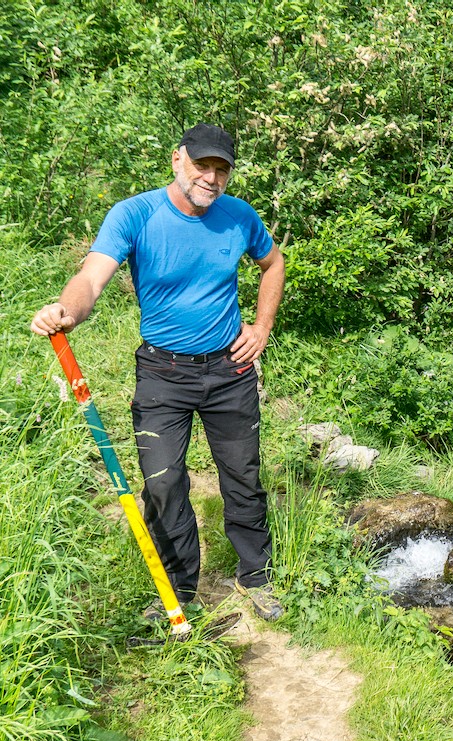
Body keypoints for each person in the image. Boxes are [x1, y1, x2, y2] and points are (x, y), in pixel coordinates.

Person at [30, 123, 286, 621]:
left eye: (221, 169)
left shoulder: (239, 217)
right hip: (163, 373)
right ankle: (179, 589)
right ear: (177, 160)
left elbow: (272, 264)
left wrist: (261, 327)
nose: (211, 178)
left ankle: (255, 576)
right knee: (164, 481)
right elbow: (91, 275)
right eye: (202, 165)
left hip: (229, 369)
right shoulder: (135, 214)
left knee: (242, 475)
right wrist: (66, 311)